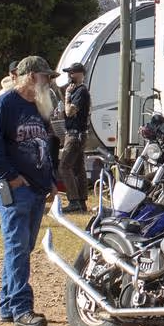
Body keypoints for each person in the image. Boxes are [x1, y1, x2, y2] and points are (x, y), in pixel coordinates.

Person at [0, 56, 59, 326]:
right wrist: (11, 178)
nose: (49, 82)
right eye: (45, 77)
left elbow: (47, 146)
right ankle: (21, 308)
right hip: (14, 189)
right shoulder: (4, 104)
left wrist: (51, 180)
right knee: (17, 248)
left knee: (22, 248)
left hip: (36, 189)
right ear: (29, 76)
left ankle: (7, 305)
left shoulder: (39, 106)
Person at [57, 62, 91, 213]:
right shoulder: (79, 90)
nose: (69, 75)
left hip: (75, 134)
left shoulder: (80, 91)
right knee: (78, 168)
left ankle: (74, 201)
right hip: (79, 134)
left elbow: (70, 111)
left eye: (72, 72)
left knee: (64, 166)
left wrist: (67, 96)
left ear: (80, 74)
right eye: (68, 72)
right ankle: (82, 201)